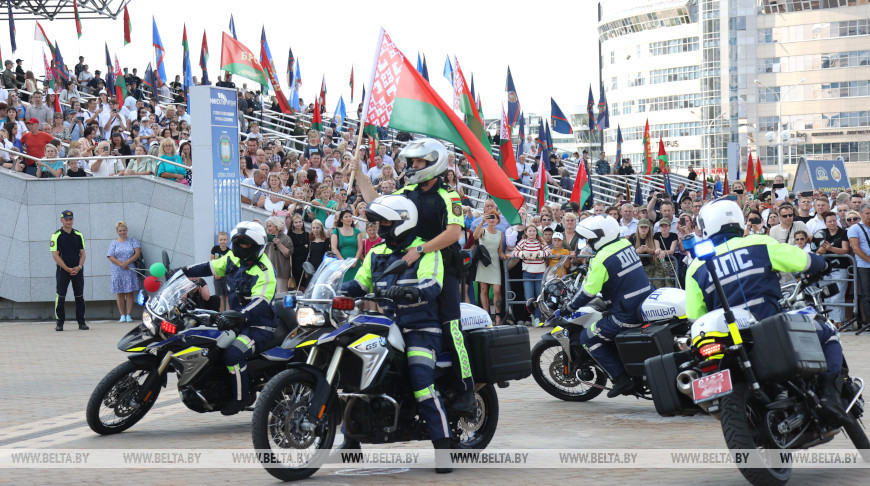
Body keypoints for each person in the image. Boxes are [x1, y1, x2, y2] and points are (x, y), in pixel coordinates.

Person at [687, 198, 848, 424]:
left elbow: (695, 316)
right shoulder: (758, 243)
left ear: (706, 226)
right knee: (828, 332)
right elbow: (802, 261)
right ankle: (829, 395)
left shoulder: (696, 264)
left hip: (729, 339)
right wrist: (819, 262)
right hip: (769, 326)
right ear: (738, 221)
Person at [352, 138, 475, 413]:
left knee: (451, 326)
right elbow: (377, 205)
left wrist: (421, 249)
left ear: (434, 163)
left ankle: (466, 386)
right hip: (411, 262)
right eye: (413, 162)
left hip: (444, 264)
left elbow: (454, 234)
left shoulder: (449, 195)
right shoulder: (407, 190)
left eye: (419, 162)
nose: (414, 166)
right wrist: (359, 173)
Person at [340, 195, 454, 473]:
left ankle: (444, 448)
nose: (380, 227)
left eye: (386, 222)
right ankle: (350, 440)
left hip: (421, 329)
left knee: (421, 379)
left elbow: (432, 285)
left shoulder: (425, 251)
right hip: (387, 325)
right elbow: (359, 283)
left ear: (404, 222)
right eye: (378, 222)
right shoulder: (376, 253)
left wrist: (410, 290)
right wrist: (337, 290)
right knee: (354, 371)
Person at [182, 221, 277, 416]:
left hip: (258, 326)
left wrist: (240, 316)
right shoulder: (233, 258)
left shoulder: (265, 270)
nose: (242, 248)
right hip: (234, 321)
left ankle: (240, 398)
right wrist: (183, 271)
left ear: (258, 247)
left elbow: (261, 302)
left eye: (247, 244)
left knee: (233, 353)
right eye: (239, 243)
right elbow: (210, 267)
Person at [562, 215, 654, 398]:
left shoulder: (602, 258)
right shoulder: (625, 245)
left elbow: (588, 291)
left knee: (587, 337)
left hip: (626, 313)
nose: (588, 242)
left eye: (591, 239)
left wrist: (570, 307)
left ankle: (621, 380)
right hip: (644, 301)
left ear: (600, 237)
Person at [51, 210, 88, 331]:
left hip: (77, 270)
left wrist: (79, 267)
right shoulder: (56, 235)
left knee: (79, 296)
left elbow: (82, 253)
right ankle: (60, 322)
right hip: (63, 270)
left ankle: (81, 322)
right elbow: (55, 255)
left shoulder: (78, 234)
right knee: (60, 296)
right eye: (66, 219)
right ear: (61, 220)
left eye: (71, 219)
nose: (69, 221)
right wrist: (66, 268)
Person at [816, 211, 850, 328]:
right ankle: (831, 322)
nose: (832, 223)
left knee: (837, 296)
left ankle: (838, 321)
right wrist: (825, 249)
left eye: (834, 220)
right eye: (829, 221)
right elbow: (818, 251)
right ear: (825, 223)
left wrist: (831, 248)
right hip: (825, 269)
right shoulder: (822, 233)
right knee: (828, 297)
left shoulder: (843, 232)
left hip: (840, 268)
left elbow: (845, 250)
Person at [513, 225, 551, 326]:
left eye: (534, 231)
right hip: (528, 273)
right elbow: (515, 252)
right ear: (526, 232)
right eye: (530, 231)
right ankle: (532, 316)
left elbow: (548, 251)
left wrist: (538, 254)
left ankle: (537, 317)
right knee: (529, 297)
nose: (532, 233)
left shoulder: (541, 242)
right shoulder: (523, 242)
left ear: (536, 232)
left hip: (540, 273)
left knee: (539, 297)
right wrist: (522, 254)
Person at [473, 209, 506, 325]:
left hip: (495, 264)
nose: (492, 219)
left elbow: (500, 252)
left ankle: (497, 316)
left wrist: (507, 256)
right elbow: (475, 236)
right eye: (490, 217)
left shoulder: (500, 234)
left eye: (494, 217)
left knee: (497, 290)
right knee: (484, 290)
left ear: (498, 220)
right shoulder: (482, 230)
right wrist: (482, 221)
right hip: (483, 264)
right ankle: (486, 315)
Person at [106, 221, 141, 322]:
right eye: (120, 230)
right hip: (117, 270)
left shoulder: (132, 241)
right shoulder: (114, 242)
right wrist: (121, 264)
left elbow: (137, 253)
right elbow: (110, 256)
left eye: (124, 230)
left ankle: (129, 315)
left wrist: (127, 262)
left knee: (129, 292)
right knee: (120, 292)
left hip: (130, 268)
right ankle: (122, 315)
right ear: (117, 231)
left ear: (127, 230)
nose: (122, 232)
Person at [264, 216, 294, 293]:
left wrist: (279, 244)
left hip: (280, 272)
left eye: (270, 226)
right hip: (267, 271)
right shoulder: (266, 238)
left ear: (277, 226)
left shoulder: (285, 238)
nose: (268, 228)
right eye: (267, 226)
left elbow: (288, 253)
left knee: (280, 294)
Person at [331, 210, 363, 281]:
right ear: (342, 220)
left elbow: (360, 248)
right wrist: (344, 263)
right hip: (341, 264)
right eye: (346, 217)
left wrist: (354, 261)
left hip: (355, 263)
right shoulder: (336, 231)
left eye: (350, 216)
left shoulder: (357, 231)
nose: (349, 218)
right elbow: (334, 248)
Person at [211, 232, 231, 311]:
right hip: (217, 276)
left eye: (224, 239)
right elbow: (212, 261)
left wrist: (223, 274)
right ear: (218, 240)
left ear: (227, 240)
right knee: (219, 296)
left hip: (226, 276)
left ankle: (228, 312)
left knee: (227, 295)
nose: (223, 241)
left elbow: (229, 265)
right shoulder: (215, 249)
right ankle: (221, 313)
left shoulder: (230, 252)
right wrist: (216, 273)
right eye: (221, 239)